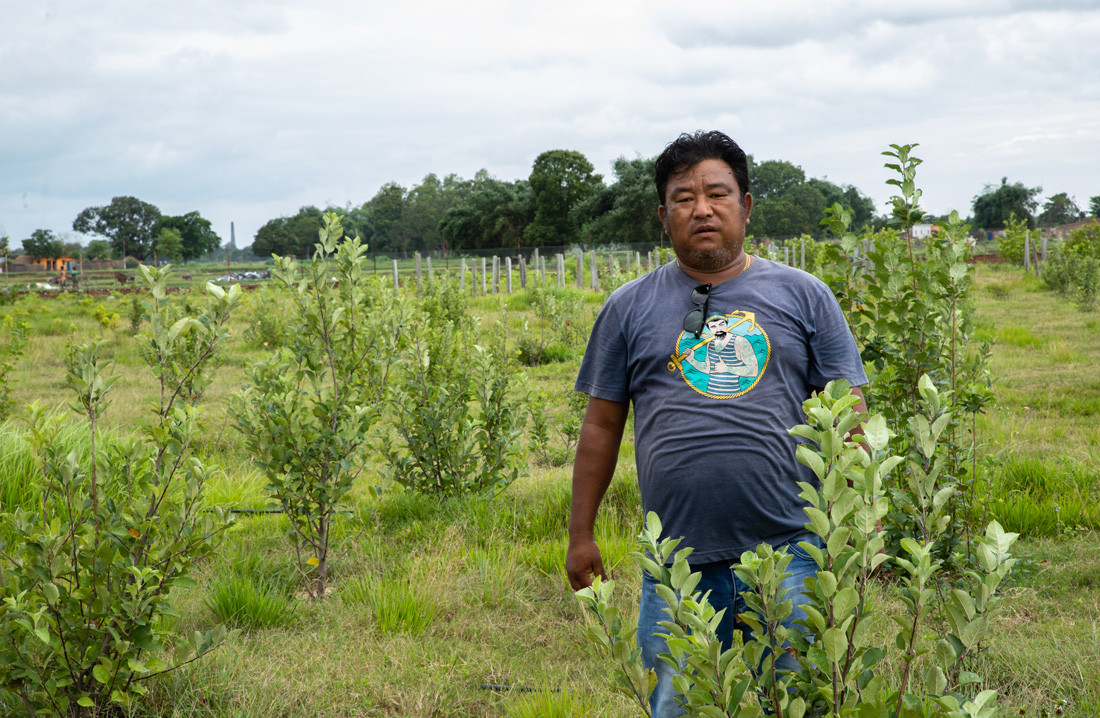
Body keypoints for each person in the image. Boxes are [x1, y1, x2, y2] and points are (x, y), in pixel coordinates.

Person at [566, 130, 868, 718]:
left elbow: (848, 419)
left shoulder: (805, 296)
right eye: (683, 198)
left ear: (745, 205)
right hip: (676, 564)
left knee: (792, 704)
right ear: (664, 215)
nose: (701, 209)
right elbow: (601, 427)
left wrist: (853, 530)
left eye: (717, 194)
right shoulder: (628, 307)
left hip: (792, 555)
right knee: (680, 706)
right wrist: (581, 533)